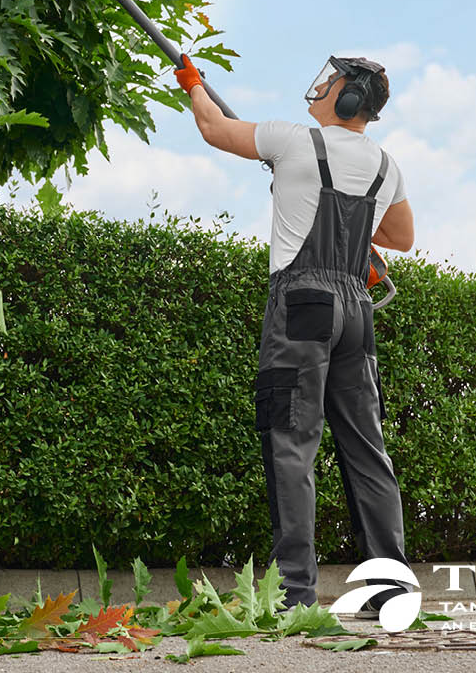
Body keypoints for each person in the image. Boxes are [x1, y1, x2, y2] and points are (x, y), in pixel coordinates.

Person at [174, 53, 415, 616]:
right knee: (366, 451)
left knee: (291, 444)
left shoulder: (292, 141)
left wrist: (193, 81)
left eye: (330, 82)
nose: (321, 86)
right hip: (357, 309)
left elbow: (214, 128)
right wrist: (355, 228)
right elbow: (401, 237)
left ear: (348, 98)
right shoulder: (386, 165)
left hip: (302, 304)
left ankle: (294, 597)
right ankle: (391, 595)